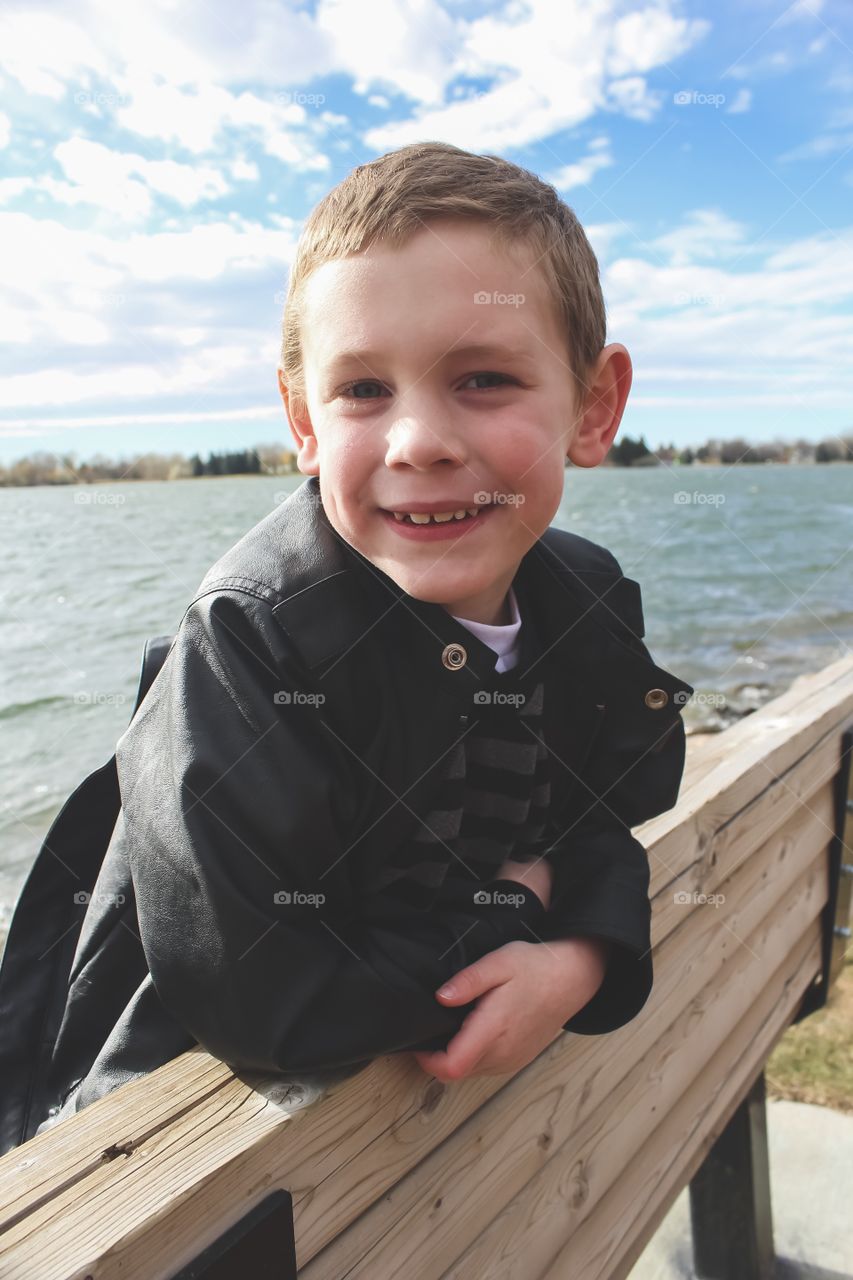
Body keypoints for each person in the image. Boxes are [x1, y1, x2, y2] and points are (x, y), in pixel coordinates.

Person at [0, 140, 694, 1152]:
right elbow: (265, 993)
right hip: (151, 1141)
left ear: (593, 406)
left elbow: (608, 813)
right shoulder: (253, 644)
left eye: (484, 377)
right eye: (363, 390)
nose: (417, 439)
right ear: (302, 419)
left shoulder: (580, 603)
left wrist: (582, 955)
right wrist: (512, 912)